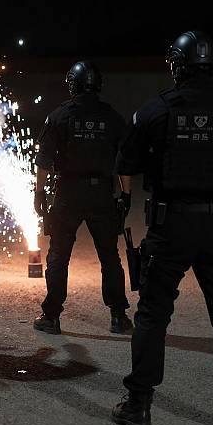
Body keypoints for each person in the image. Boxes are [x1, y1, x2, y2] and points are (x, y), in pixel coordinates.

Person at [112, 31, 213, 425]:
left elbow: (126, 163)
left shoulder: (156, 110)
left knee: (153, 316)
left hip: (170, 226)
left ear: (177, 65)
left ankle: (138, 406)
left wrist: (127, 199)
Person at [33, 61, 132, 335]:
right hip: (101, 192)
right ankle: (118, 316)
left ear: (72, 84)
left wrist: (39, 193)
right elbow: (124, 161)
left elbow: (43, 161)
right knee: (109, 256)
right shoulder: (111, 117)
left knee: (59, 254)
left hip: (68, 192)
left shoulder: (59, 116)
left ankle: (51, 316)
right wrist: (126, 194)